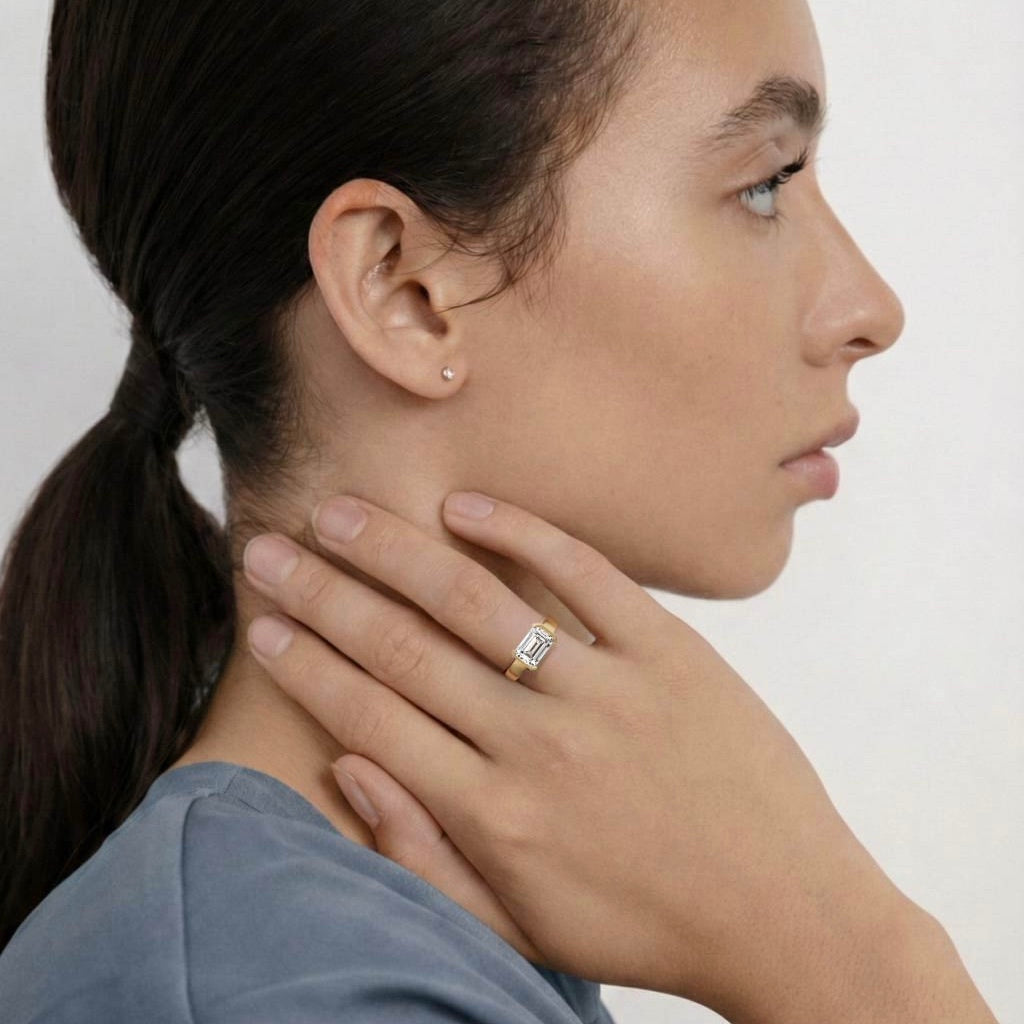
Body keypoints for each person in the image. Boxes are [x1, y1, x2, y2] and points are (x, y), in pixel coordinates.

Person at [0, 0, 997, 1020]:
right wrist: (839, 946)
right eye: (762, 184)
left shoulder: (344, 934)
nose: (870, 308)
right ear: (402, 285)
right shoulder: (286, 987)